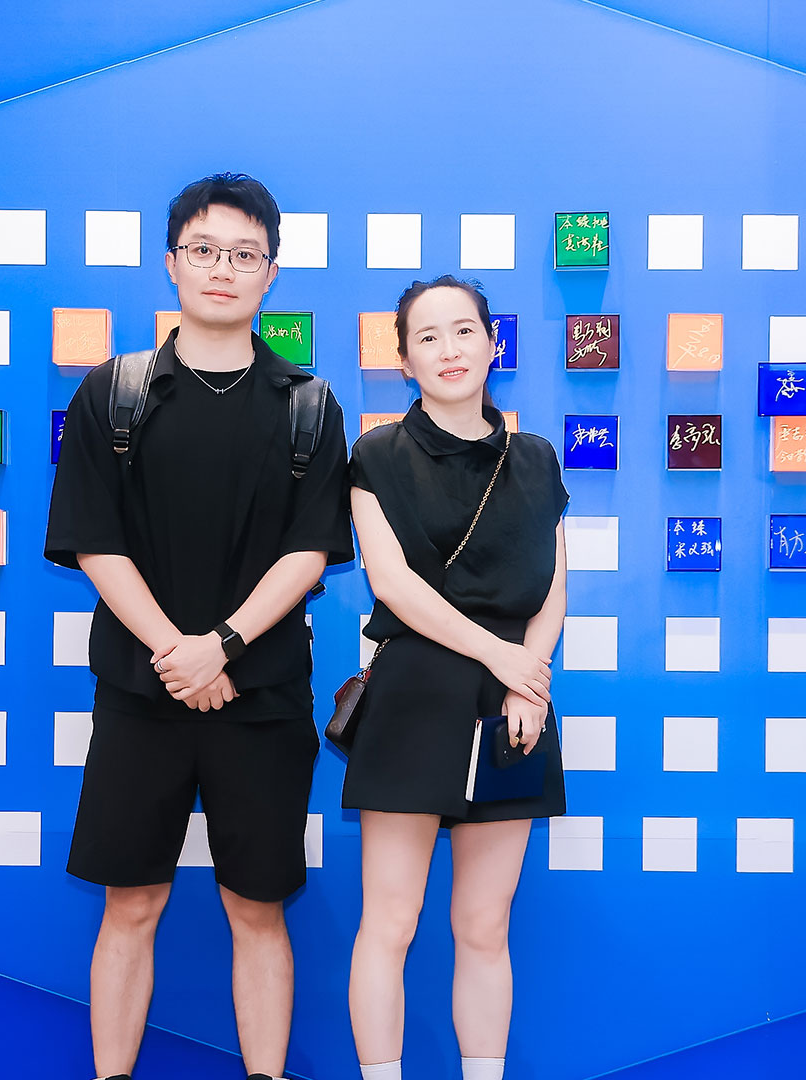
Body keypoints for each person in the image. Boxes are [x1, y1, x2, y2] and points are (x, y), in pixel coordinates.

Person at [45, 172, 353, 1080]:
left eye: (244, 254)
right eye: (205, 251)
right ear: (172, 263)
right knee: (130, 905)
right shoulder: (113, 393)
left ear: (271, 273)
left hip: (262, 698)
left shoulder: (308, 404)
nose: (223, 269)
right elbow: (94, 542)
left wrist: (220, 647)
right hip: (139, 694)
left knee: (257, 909)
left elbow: (310, 552)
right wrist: (175, 654)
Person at [343, 276, 570, 1080]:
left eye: (465, 331)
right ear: (403, 360)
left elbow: (553, 590)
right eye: (428, 337)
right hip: (414, 694)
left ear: (493, 344)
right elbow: (393, 585)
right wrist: (504, 659)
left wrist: (524, 681)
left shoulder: (536, 458)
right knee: (391, 921)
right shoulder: (375, 455)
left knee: (483, 924)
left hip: (513, 706)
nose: (449, 350)